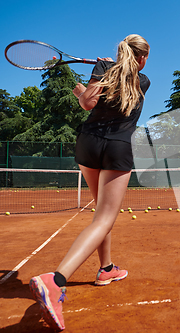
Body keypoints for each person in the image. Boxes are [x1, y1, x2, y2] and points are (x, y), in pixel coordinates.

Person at [29, 34, 150, 331]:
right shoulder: (142, 80)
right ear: (142, 58)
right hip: (116, 147)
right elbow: (98, 101)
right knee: (105, 218)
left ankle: (106, 269)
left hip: (88, 143)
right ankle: (55, 281)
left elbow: (87, 103)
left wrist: (95, 76)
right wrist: (102, 74)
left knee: (100, 216)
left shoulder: (105, 72)